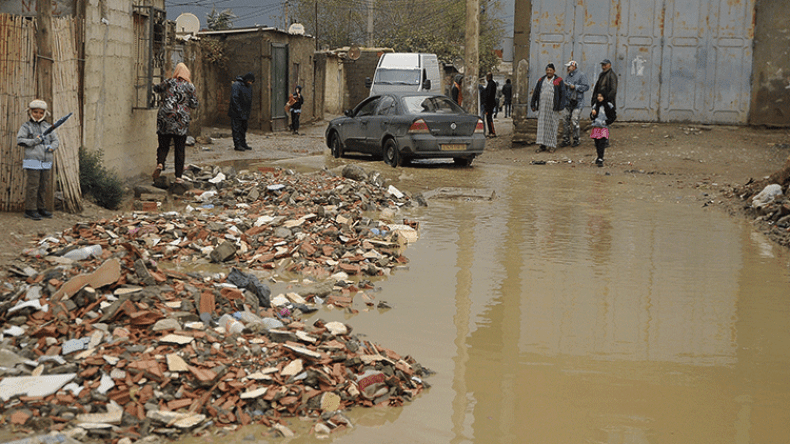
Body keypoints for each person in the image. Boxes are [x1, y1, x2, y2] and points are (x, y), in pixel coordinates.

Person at [152, 62, 198, 183]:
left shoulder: (168, 82)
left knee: (163, 144)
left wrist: (153, 84)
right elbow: (194, 104)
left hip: (165, 118)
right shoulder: (190, 86)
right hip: (180, 121)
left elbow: (156, 89)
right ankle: (178, 176)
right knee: (179, 149)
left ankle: (160, 163)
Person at [17, 99, 59, 220]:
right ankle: (30, 209)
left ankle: (41, 208)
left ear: (44, 114)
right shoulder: (26, 126)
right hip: (32, 160)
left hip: (46, 160)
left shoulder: (48, 127)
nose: (38, 115)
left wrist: (51, 147)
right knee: (33, 185)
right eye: (35, 112)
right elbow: (20, 140)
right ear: (30, 112)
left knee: (43, 185)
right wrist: (34, 141)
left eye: (41, 113)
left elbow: (56, 140)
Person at [530, 63, 566, 152]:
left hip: (553, 108)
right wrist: (533, 104)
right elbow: (536, 92)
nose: (549, 72)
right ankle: (542, 145)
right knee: (542, 126)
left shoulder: (558, 80)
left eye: (550, 70)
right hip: (542, 108)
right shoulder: (541, 80)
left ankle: (552, 146)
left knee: (553, 126)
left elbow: (563, 93)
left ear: (554, 71)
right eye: (547, 70)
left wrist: (561, 106)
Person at [560, 60, 589, 147]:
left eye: (569, 66)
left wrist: (575, 87)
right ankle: (566, 139)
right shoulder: (568, 76)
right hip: (568, 102)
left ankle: (576, 139)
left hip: (578, 102)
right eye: (567, 67)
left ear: (574, 67)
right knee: (565, 119)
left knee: (574, 119)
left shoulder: (581, 75)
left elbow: (586, 87)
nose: (568, 68)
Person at [228, 72, 255, 151]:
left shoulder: (248, 87)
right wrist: (238, 109)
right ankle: (237, 144)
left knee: (243, 128)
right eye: (250, 81)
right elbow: (234, 98)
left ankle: (243, 143)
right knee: (236, 128)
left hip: (245, 111)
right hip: (236, 111)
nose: (250, 83)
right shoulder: (237, 85)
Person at [590, 92, 617, 167]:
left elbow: (613, 116)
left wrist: (606, 122)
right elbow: (592, 117)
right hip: (596, 126)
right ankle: (599, 156)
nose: (599, 98)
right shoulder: (596, 105)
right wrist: (593, 114)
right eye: (598, 96)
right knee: (597, 143)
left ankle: (601, 158)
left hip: (604, 127)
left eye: (601, 96)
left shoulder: (609, 105)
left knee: (602, 142)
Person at [483, 72, 497, 137]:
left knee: (489, 118)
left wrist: (486, 105)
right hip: (491, 103)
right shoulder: (492, 83)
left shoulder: (490, 84)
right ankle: (491, 131)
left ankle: (492, 131)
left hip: (489, 104)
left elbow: (488, 95)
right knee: (489, 118)